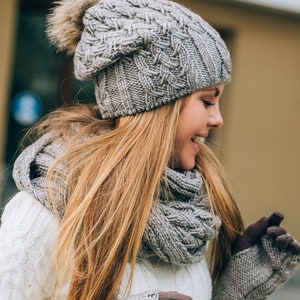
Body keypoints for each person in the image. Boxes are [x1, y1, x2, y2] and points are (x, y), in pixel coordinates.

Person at [0, 0, 299, 299]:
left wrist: (234, 290)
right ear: (156, 108)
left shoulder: (192, 223)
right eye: (207, 101)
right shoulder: (44, 215)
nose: (217, 119)